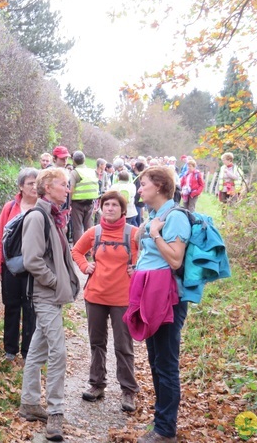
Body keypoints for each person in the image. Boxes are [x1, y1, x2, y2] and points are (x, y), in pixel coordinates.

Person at [18, 168, 80, 442]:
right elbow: (31, 260)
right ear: (46, 188)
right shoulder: (37, 216)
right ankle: (55, 411)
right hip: (44, 295)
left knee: (38, 347)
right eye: (62, 185)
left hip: (50, 294)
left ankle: (29, 403)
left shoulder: (53, 216)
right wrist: (55, 282)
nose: (67, 190)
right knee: (58, 352)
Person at [133, 166, 191, 443]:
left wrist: (155, 234)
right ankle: (161, 420)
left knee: (166, 363)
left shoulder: (175, 217)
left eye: (143, 184)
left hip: (169, 299)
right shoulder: (155, 216)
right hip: (150, 294)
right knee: (155, 360)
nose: (139, 189)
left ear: (158, 186)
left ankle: (166, 429)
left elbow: (176, 260)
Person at [71, 191, 140, 412]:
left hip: (123, 298)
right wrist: (85, 267)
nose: (110, 208)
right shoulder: (94, 232)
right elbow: (76, 251)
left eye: (114, 205)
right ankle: (97, 384)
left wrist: (136, 268)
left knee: (123, 345)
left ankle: (128, 391)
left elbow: (148, 258)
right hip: (96, 296)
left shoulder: (133, 233)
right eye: (106, 204)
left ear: (123, 209)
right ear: (101, 208)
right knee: (97, 343)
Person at [0, 167, 39, 362]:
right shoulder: (10, 208)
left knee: (31, 308)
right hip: (10, 267)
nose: (34, 187)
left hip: (34, 267)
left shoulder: (43, 207)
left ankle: (29, 351)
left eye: (37, 183)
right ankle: (10, 350)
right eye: (30, 183)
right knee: (11, 306)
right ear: (21, 186)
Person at [69, 150, 98, 243]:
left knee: (77, 228)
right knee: (89, 227)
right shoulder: (92, 171)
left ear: (73, 161)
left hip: (77, 203)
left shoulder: (75, 172)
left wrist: (68, 203)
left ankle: (78, 249)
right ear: (84, 160)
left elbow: (71, 189)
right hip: (90, 202)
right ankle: (89, 250)